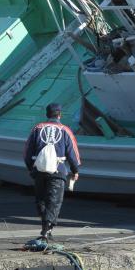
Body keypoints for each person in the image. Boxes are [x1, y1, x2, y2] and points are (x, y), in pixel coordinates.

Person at [24, 102, 81, 241]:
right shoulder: (65, 130)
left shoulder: (37, 128)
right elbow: (73, 153)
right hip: (58, 169)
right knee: (54, 200)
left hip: (40, 169)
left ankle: (45, 226)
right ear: (60, 115)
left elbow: (27, 152)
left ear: (47, 114)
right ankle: (47, 228)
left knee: (41, 199)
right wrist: (75, 170)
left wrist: (31, 168)